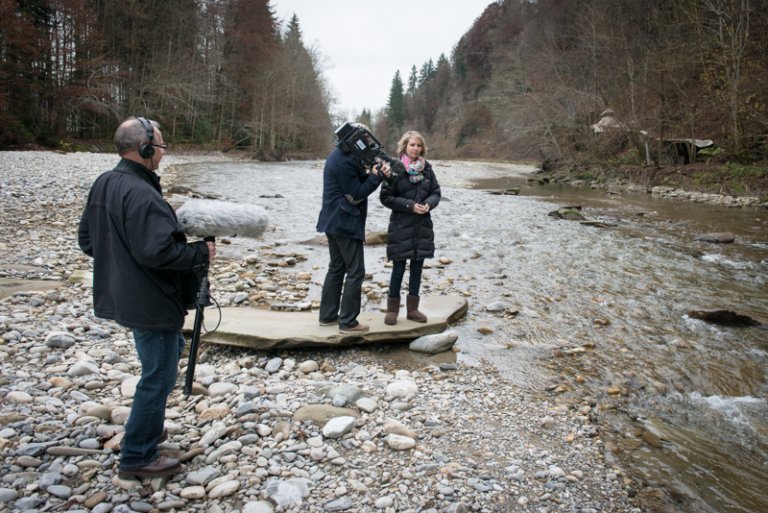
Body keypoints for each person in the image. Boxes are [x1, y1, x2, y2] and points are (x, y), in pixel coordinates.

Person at [78, 117, 215, 479]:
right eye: (161, 146)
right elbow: (158, 254)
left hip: (125, 295)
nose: (163, 154)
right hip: (150, 301)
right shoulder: (141, 193)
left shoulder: (105, 182)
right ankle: (137, 457)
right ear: (144, 149)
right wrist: (202, 253)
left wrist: (121, 261)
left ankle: (148, 434)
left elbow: (88, 241)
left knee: (165, 362)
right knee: (158, 375)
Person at [317, 124, 391, 333]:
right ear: (353, 139)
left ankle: (328, 316)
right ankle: (348, 322)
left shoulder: (339, 155)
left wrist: (372, 172)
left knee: (337, 267)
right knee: (356, 271)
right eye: (364, 139)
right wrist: (376, 177)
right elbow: (355, 195)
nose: (367, 143)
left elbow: (353, 185)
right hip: (343, 222)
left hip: (333, 220)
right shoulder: (345, 162)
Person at [380, 130, 441, 325]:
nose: (416, 148)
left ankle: (413, 310)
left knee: (417, 269)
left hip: (422, 227)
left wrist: (429, 204)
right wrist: (410, 205)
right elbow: (385, 197)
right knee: (398, 268)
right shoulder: (395, 169)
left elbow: (436, 192)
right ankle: (392, 310)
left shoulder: (427, 169)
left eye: (419, 145)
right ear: (404, 146)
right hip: (401, 226)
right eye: (412, 145)